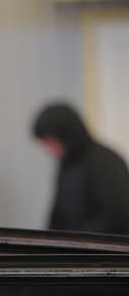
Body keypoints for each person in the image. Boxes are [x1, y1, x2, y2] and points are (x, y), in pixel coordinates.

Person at [32, 101, 129, 235]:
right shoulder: (65, 164)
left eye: (50, 142)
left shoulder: (107, 162)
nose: (49, 150)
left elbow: (117, 215)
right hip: (72, 249)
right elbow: (58, 213)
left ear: (65, 134)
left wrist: (79, 242)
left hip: (100, 251)